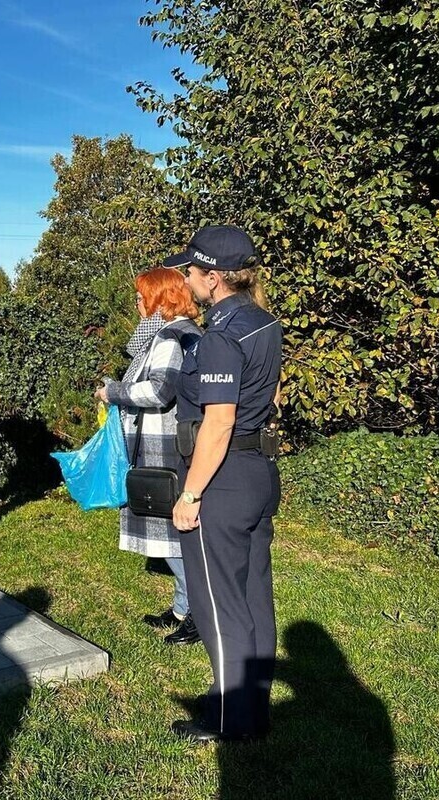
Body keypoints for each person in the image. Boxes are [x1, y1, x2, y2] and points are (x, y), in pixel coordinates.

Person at [164, 225, 283, 743]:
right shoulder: (265, 322)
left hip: (224, 478)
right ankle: (252, 709)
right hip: (258, 472)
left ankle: (232, 722)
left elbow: (218, 422)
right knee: (255, 595)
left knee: (218, 602)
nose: (186, 277)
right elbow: (272, 397)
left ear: (213, 277)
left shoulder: (222, 335)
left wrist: (190, 494)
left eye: (191, 269)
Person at [94, 267, 202, 646]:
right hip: (163, 444)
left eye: (142, 297)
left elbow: (159, 392)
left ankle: (198, 616)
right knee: (169, 534)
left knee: (173, 537)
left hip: (164, 447)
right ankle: (182, 607)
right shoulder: (171, 332)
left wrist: (115, 392)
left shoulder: (172, 336)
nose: (137, 303)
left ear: (161, 298)